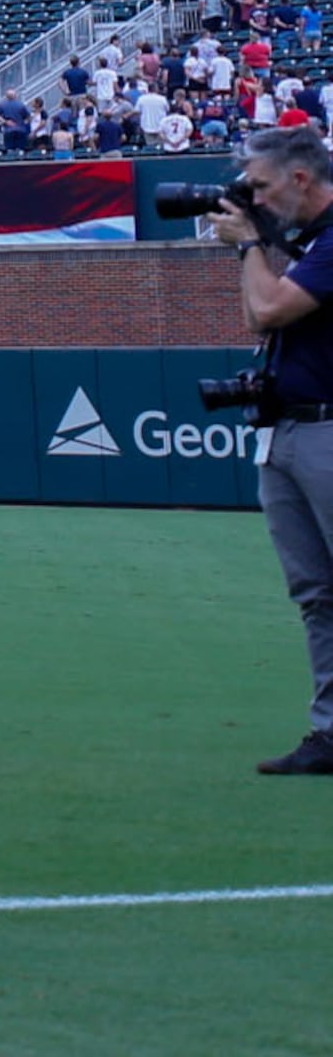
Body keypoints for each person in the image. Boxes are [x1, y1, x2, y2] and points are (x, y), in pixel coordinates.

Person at [199, 129, 333, 775]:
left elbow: (268, 309)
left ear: (300, 178)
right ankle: (331, 732)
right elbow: (263, 311)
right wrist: (259, 242)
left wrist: (251, 243)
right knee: (316, 591)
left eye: (258, 184)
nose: (248, 196)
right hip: (287, 430)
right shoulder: (304, 243)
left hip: (328, 430)